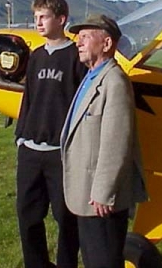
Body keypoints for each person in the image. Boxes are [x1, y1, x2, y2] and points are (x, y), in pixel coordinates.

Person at [61, 14, 148, 268]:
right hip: (85, 194)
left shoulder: (114, 82)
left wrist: (103, 192)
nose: (78, 43)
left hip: (100, 201)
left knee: (103, 261)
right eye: (78, 38)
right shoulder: (92, 77)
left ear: (107, 44)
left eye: (85, 37)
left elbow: (117, 143)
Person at [15, 0, 88, 268]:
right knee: (27, 215)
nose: (38, 23)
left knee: (66, 217)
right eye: (36, 17)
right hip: (31, 151)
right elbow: (28, 99)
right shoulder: (35, 57)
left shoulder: (76, 57)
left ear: (61, 19)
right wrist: (21, 136)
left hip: (60, 153)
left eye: (44, 17)